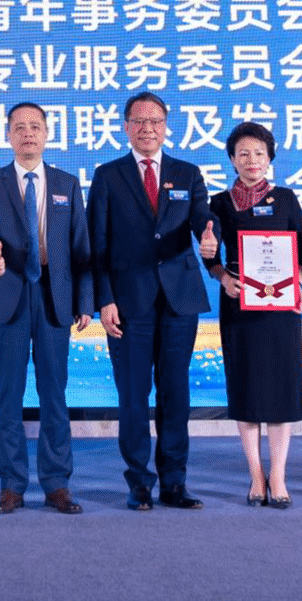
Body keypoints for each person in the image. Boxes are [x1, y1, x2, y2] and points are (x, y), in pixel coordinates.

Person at [88, 91, 217, 511]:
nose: (148, 129)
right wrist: (104, 299)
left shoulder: (187, 173)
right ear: (126, 127)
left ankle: (174, 482)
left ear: (166, 127)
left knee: (175, 392)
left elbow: (202, 219)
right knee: (133, 394)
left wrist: (211, 238)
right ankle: (139, 482)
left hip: (179, 300)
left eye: (155, 121)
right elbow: (97, 244)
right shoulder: (108, 175)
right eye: (139, 121)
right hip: (128, 303)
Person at [0, 102, 93, 515]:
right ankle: (11, 484)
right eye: (19, 127)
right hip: (8, 294)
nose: (28, 133)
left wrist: (85, 301)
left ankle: (57, 484)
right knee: (8, 394)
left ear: (46, 134)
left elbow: (81, 244)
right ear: (8, 135)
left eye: (35, 127)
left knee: (54, 393)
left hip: (54, 298)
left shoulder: (66, 183)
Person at [203, 122, 302, 509]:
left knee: (280, 390)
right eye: (243, 153)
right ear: (232, 159)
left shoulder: (287, 199)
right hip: (240, 306)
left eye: (259, 153)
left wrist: (296, 283)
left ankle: (278, 474)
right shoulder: (218, 203)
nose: (252, 160)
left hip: (280, 308)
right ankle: (255, 475)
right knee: (246, 388)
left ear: (270, 158)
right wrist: (223, 278)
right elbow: (211, 257)